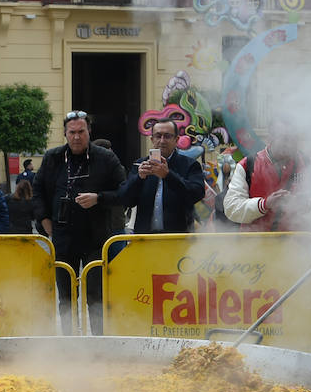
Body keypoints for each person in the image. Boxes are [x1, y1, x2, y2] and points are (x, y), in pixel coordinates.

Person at [33, 110, 127, 333]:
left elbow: (124, 192)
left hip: (96, 238)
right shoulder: (52, 157)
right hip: (63, 240)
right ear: (65, 134)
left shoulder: (106, 158)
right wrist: (45, 221)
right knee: (65, 296)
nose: (77, 137)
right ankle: (68, 342)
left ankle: (98, 341)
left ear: (89, 132)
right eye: (72, 132)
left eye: (81, 132)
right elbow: (37, 192)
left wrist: (99, 198)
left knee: (96, 295)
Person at [223, 116, 311, 232]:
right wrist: (264, 204)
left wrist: (305, 205)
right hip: (254, 245)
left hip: (297, 244)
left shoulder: (309, 165)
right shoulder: (247, 165)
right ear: (270, 138)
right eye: (284, 138)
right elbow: (231, 208)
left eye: (294, 138)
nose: (289, 143)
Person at [117, 118, 207, 234]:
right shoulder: (140, 164)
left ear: (177, 140)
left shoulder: (190, 164)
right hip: (145, 238)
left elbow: (197, 194)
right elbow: (125, 199)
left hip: (178, 239)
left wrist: (168, 175)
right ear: (151, 139)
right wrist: (138, 178)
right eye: (158, 136)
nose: (162, 141)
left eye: (167, 136)